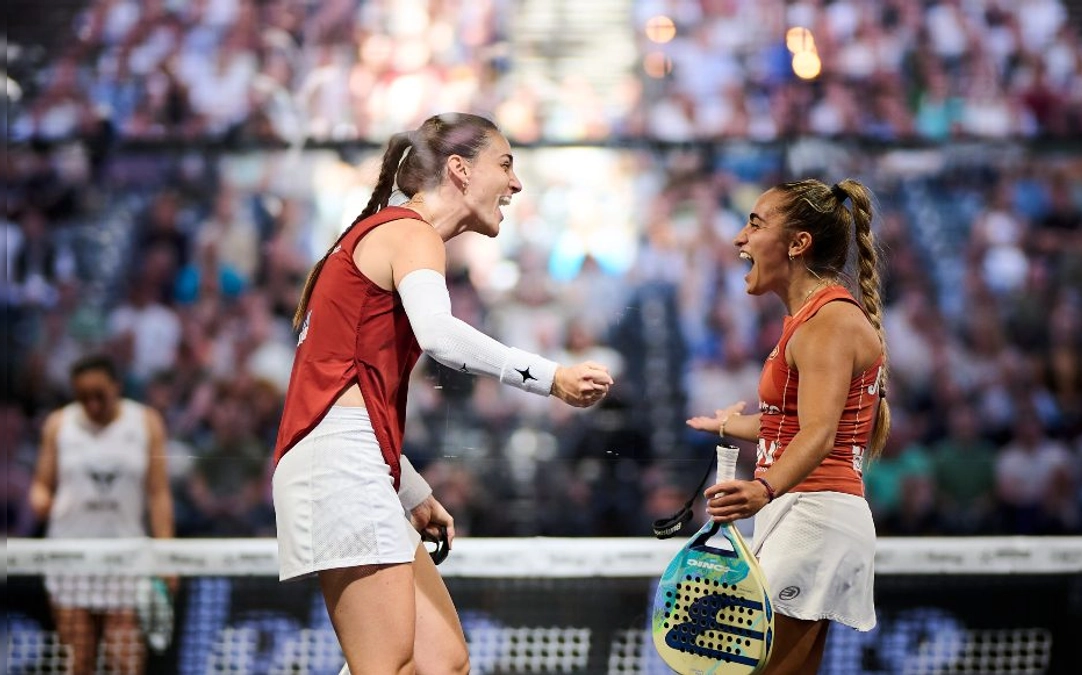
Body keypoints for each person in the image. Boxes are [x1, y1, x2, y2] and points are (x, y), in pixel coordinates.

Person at [271, 112, 614, 675]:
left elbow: (350, 393)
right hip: (340, 465)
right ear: (459, 169)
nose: (516, 183)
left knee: (442, 662)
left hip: (354, 461)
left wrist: (409, 490)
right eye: (505, 164)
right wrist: (550, 377)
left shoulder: (389, 234)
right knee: (386, 667)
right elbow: (441, 336)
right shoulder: (410, 232)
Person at [686, 179, 890, 675]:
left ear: (799, 244)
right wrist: (732, 425)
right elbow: (793, 424)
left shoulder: (829, 323)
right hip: (805, 513)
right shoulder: (811, 320)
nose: (740, 238)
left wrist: (762, 488)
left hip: (815, 516)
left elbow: (818, 434)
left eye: (755, 224)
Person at [29, 353, 174, 675]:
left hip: (125, 557)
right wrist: (40, 499)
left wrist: (166, 555)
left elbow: (158, 493)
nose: (92, 405)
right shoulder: (58, 425)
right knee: (78, 662)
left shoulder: (145, 422)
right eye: (83, 398)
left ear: (117, 387)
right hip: (70, 557)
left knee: (126, 663)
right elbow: (41, 484)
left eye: (100, 396)